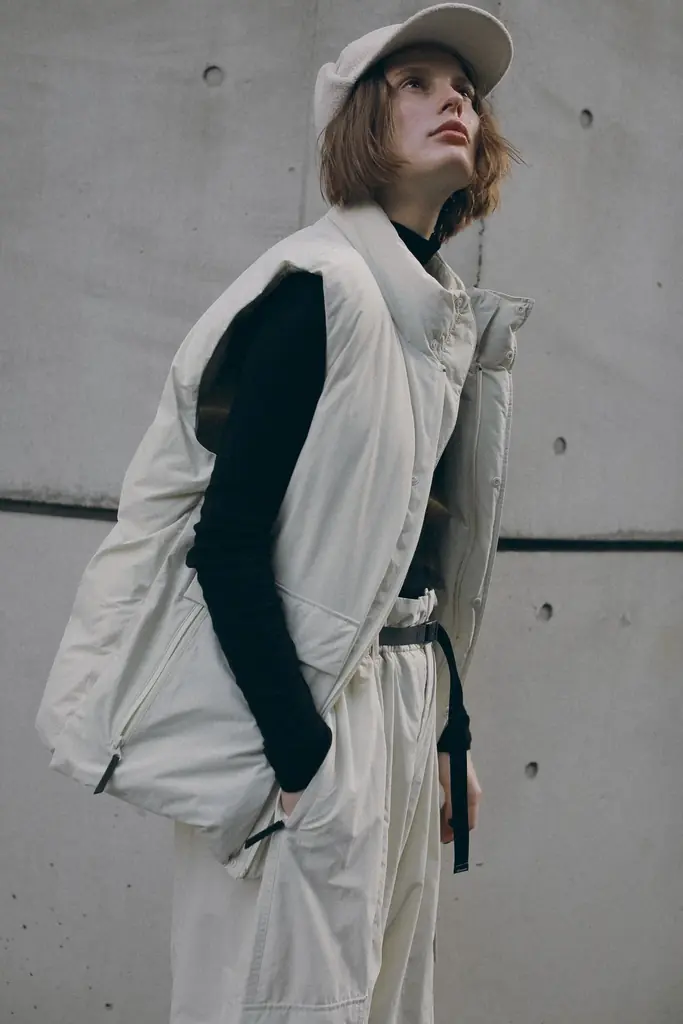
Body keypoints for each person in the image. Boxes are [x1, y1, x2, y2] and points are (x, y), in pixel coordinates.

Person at [170, 5, 532, 1023]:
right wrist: (303, 756)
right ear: (363, 120)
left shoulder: (437, 315)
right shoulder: (316, 292)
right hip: (314, 712)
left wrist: (449, 735)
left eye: (463, 92)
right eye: (416, 83)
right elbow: (226, 543)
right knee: (284, 1001)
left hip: (405, 705)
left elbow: (418, 552)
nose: (452, 101)